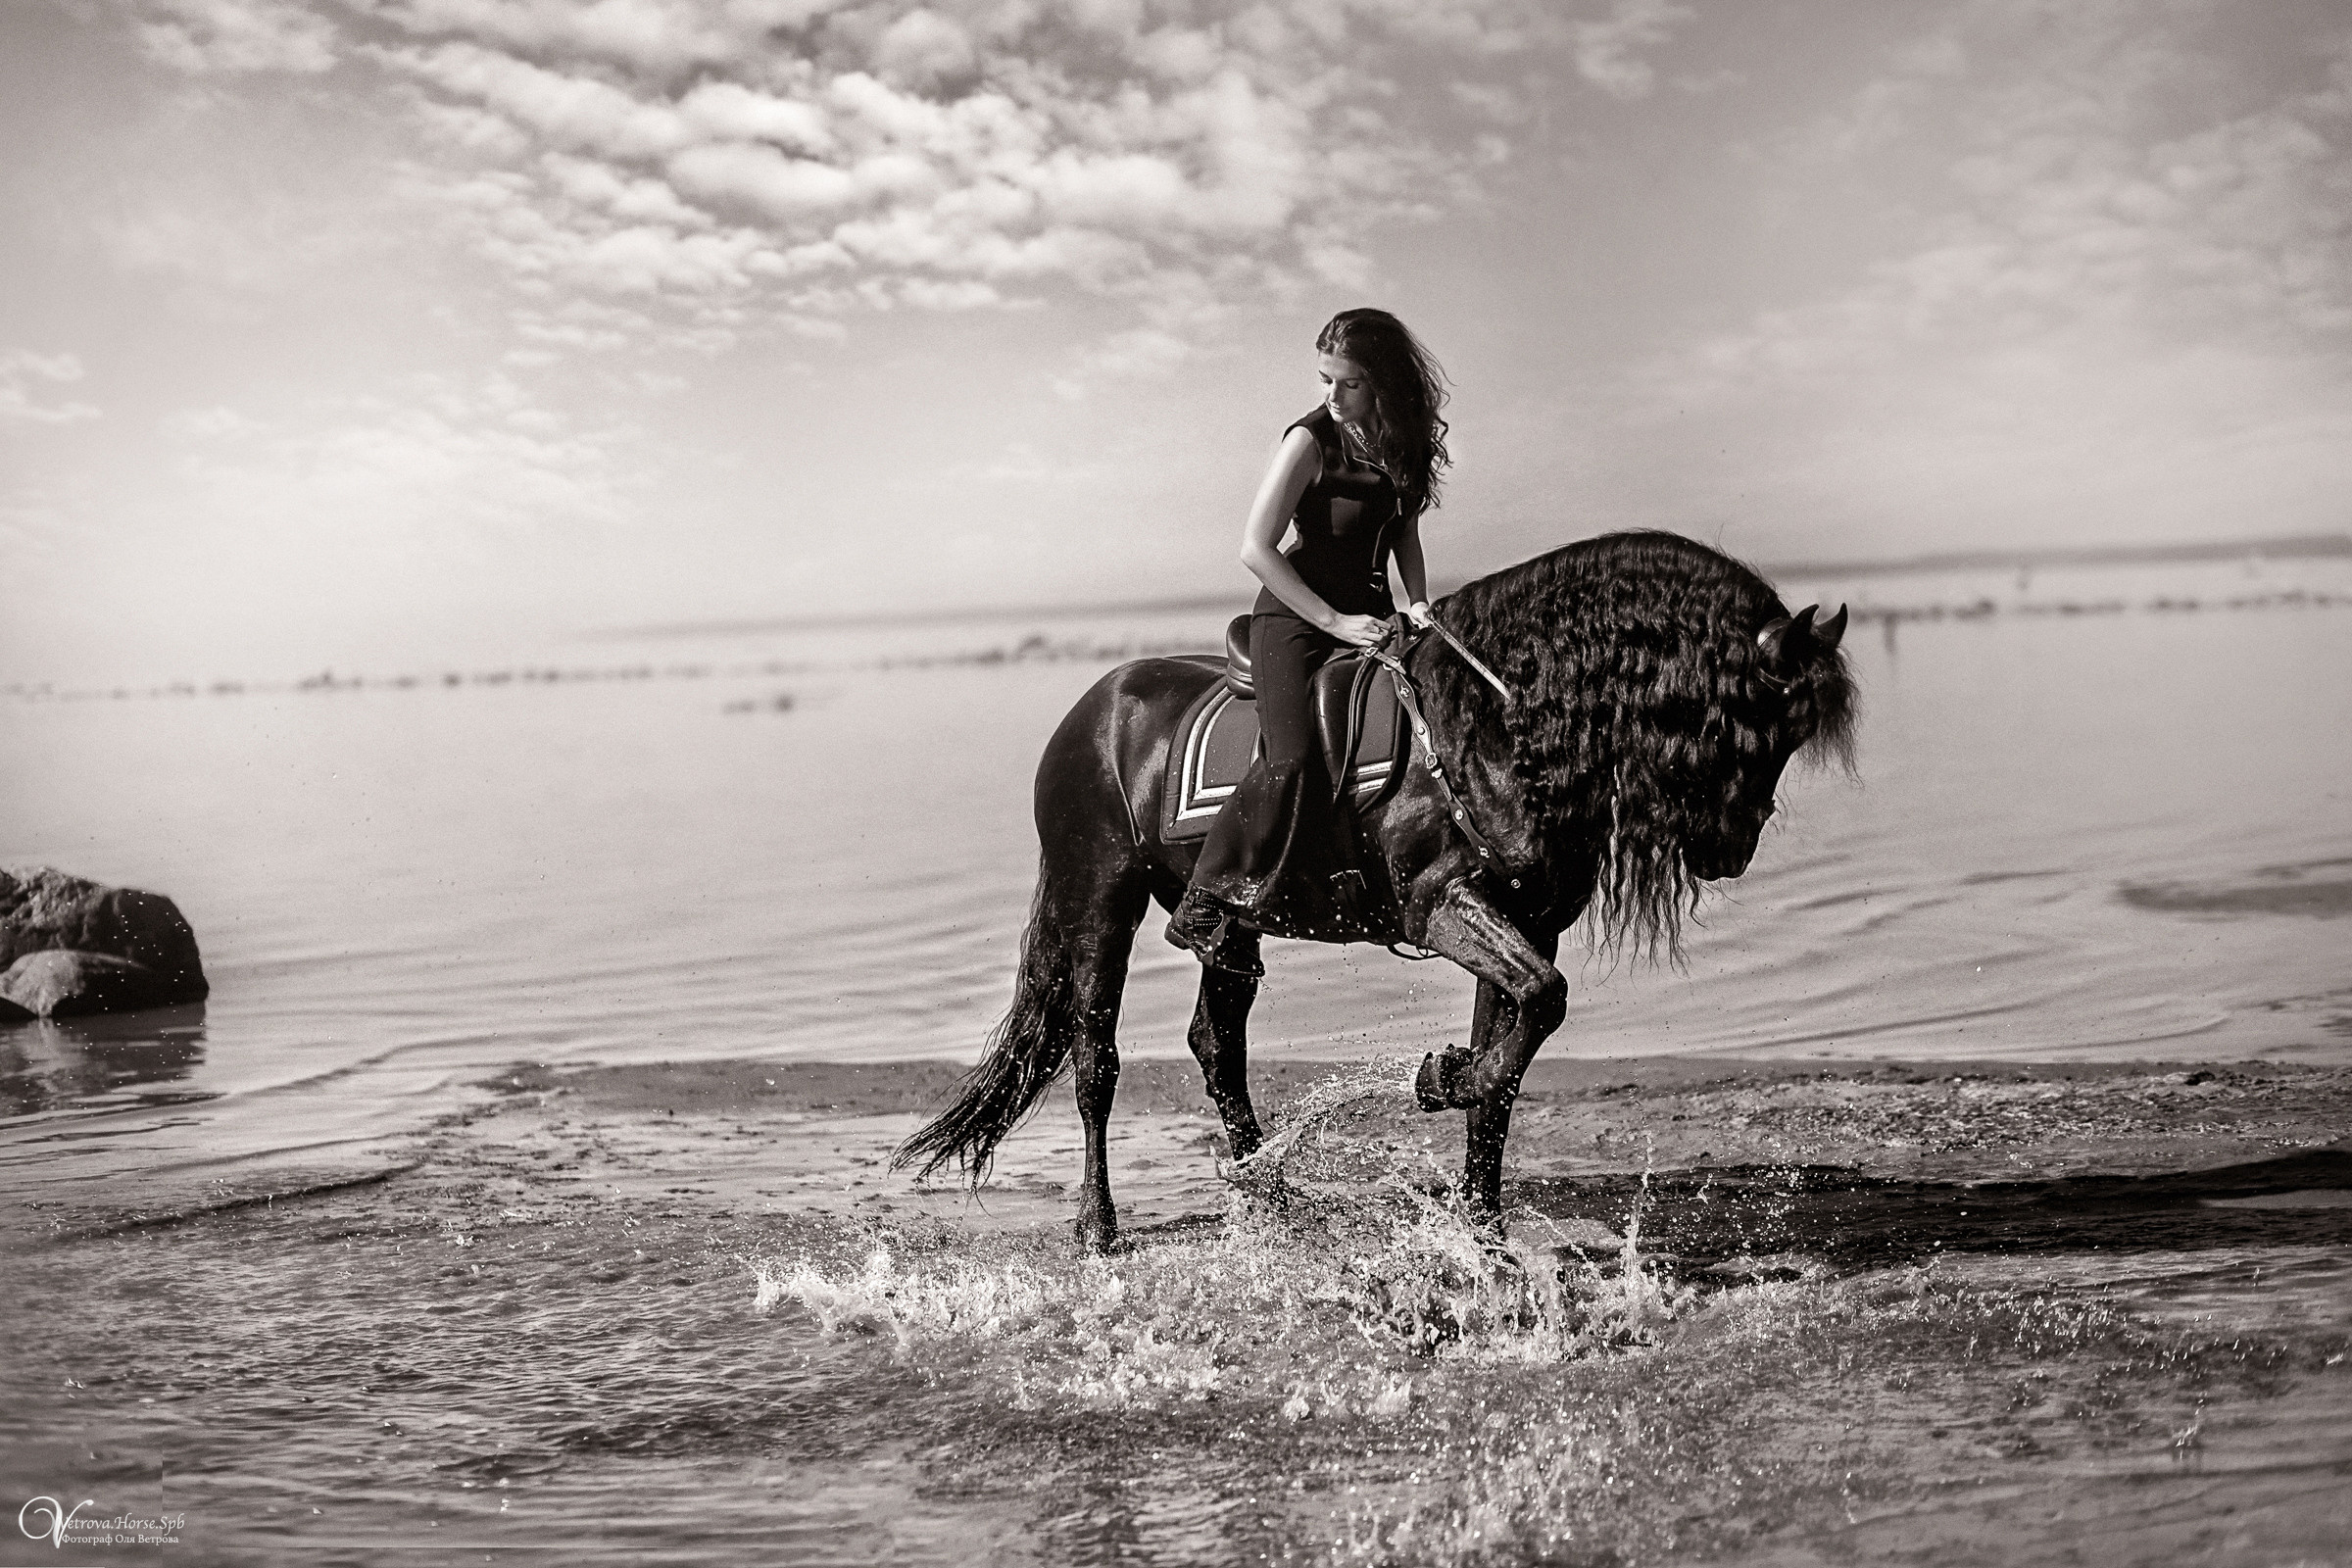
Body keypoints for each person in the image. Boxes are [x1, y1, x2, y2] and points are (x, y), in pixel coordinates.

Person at [1166, 308, 1452, 973]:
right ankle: (1204, 900)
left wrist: (1416, 603)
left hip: (1375, 617)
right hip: (1293, 617)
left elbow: (1403, 531)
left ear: (1382, 382)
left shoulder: (1400, 438)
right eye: (1326, 380)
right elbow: (1256, 549)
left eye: (1347, 384)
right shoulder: (1309, 441)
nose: (1332, 395)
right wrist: (1335, 623)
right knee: (1290, 758)